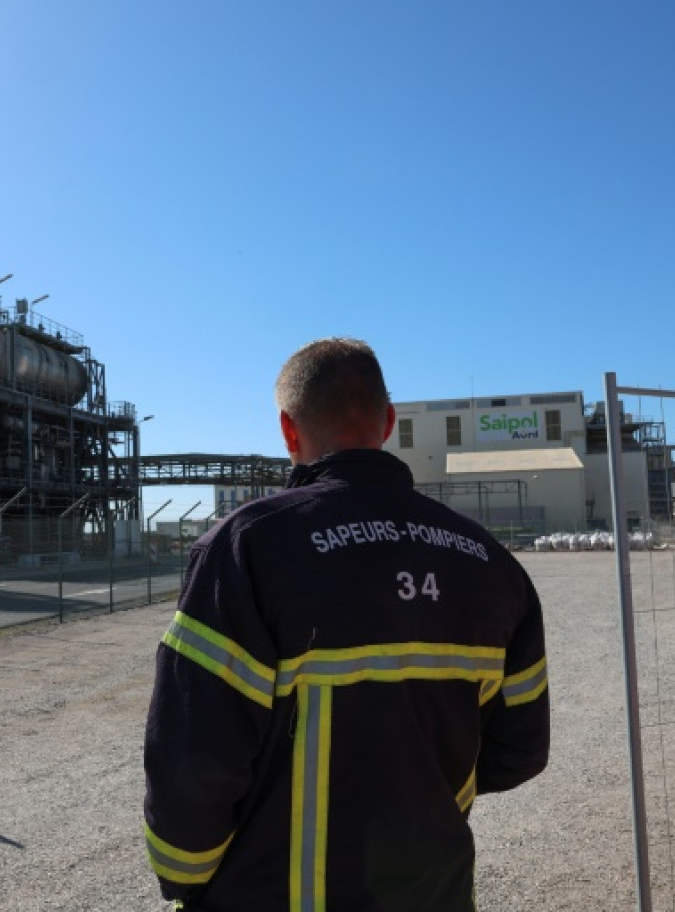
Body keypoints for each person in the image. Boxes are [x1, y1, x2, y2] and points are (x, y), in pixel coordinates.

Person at [143, 338, 550, 911]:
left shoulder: (249, 547)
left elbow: (194, 753)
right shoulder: (490, 562)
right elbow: (519, 752)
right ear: (388, 421)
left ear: (288, 431)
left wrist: (183, 876)